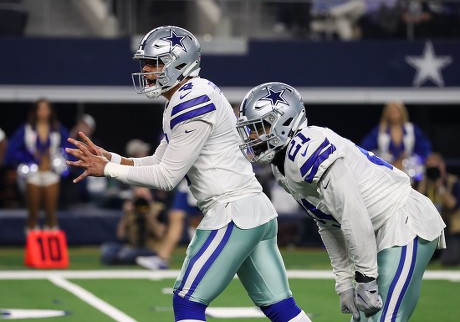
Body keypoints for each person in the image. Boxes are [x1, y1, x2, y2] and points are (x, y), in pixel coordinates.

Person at [65, 26, 310, 322]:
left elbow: (167, 177)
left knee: (187, 302)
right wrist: (112, 158)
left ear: (178, 64)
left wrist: (108, 170)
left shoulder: (192, 99)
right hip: (252, 210)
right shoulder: (186, 96)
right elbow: (158, 160)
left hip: (232, 211)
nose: (145, 70)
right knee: (281, 308)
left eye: (153, 63)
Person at [235, 82, 446, 321]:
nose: (252, 136)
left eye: (259, 127)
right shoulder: (282, 168)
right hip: (378, 230)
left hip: (403, 220)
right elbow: (328, 223)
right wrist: (345, 282)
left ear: (284, 122)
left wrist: (365, 278)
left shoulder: (308, 148)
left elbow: (352, 213)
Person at [5, 98, 70, 232]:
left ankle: (51, 248)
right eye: (40, 109)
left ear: (51, 111)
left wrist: (60, 159)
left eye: (46, 108)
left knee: (51, 214)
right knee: (33, 214)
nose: (43, 112)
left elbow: (69, 148)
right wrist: (27, 157)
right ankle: (32, 249)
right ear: (35, 111)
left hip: (51, 174)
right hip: (33, 174)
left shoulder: (57, 129)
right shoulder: (27, 129)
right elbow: (12, 150)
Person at [136, 178, 202, 270]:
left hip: (203, 179)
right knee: (176, 216)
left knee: (196, 220)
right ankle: (163, 258)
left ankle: (199, 257)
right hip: (188, 181)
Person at [360, 100, 432, 182]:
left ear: (402, 111)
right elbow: (365, 148)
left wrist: (408, 158)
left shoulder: (411, 129)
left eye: (396, 110)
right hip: (387, 169)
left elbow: (425, 149)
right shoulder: (380, 130)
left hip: (409, 169)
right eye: (391, 111)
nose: (393, 113)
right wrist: (384, 157)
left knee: (419, 169)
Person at [100, 186, 166, 265]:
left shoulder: (158, 209)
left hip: (151, 249)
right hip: (133, 247)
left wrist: (148, 215)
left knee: (127, 255)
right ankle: (128, 259)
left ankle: (122, 260)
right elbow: (120, 235)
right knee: (107, 249)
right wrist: (126, 215)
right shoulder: (131, 211)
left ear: (150, 196)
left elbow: (160, 234)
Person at [415, 152, 460, 266]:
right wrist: (424, 184)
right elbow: (415, 207)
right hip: (429, 231)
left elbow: (454, 206)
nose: (433, 170)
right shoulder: (423, 184)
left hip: (449, 230)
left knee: (449, 261)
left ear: (442, 166)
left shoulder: (452, 182)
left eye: (436, 167)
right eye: (430, 167)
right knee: (420, 260)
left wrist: (440, 187)